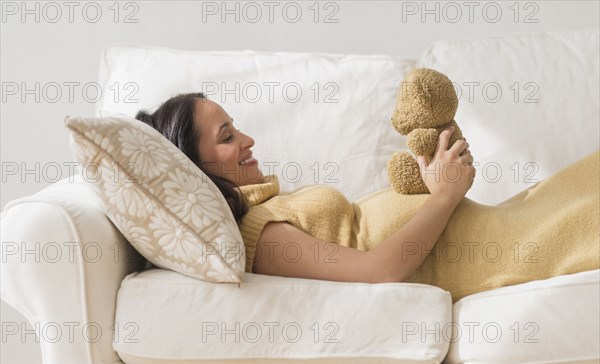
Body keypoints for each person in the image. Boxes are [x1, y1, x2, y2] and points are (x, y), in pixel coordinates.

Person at [136, 93, 599, 302]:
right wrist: (443, 195)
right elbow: (380, 272)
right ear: (192, 165)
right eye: (227, 136)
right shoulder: (260, 236)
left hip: (492, 222)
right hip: (487, 256)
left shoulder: (267, 210)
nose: (249, 140)